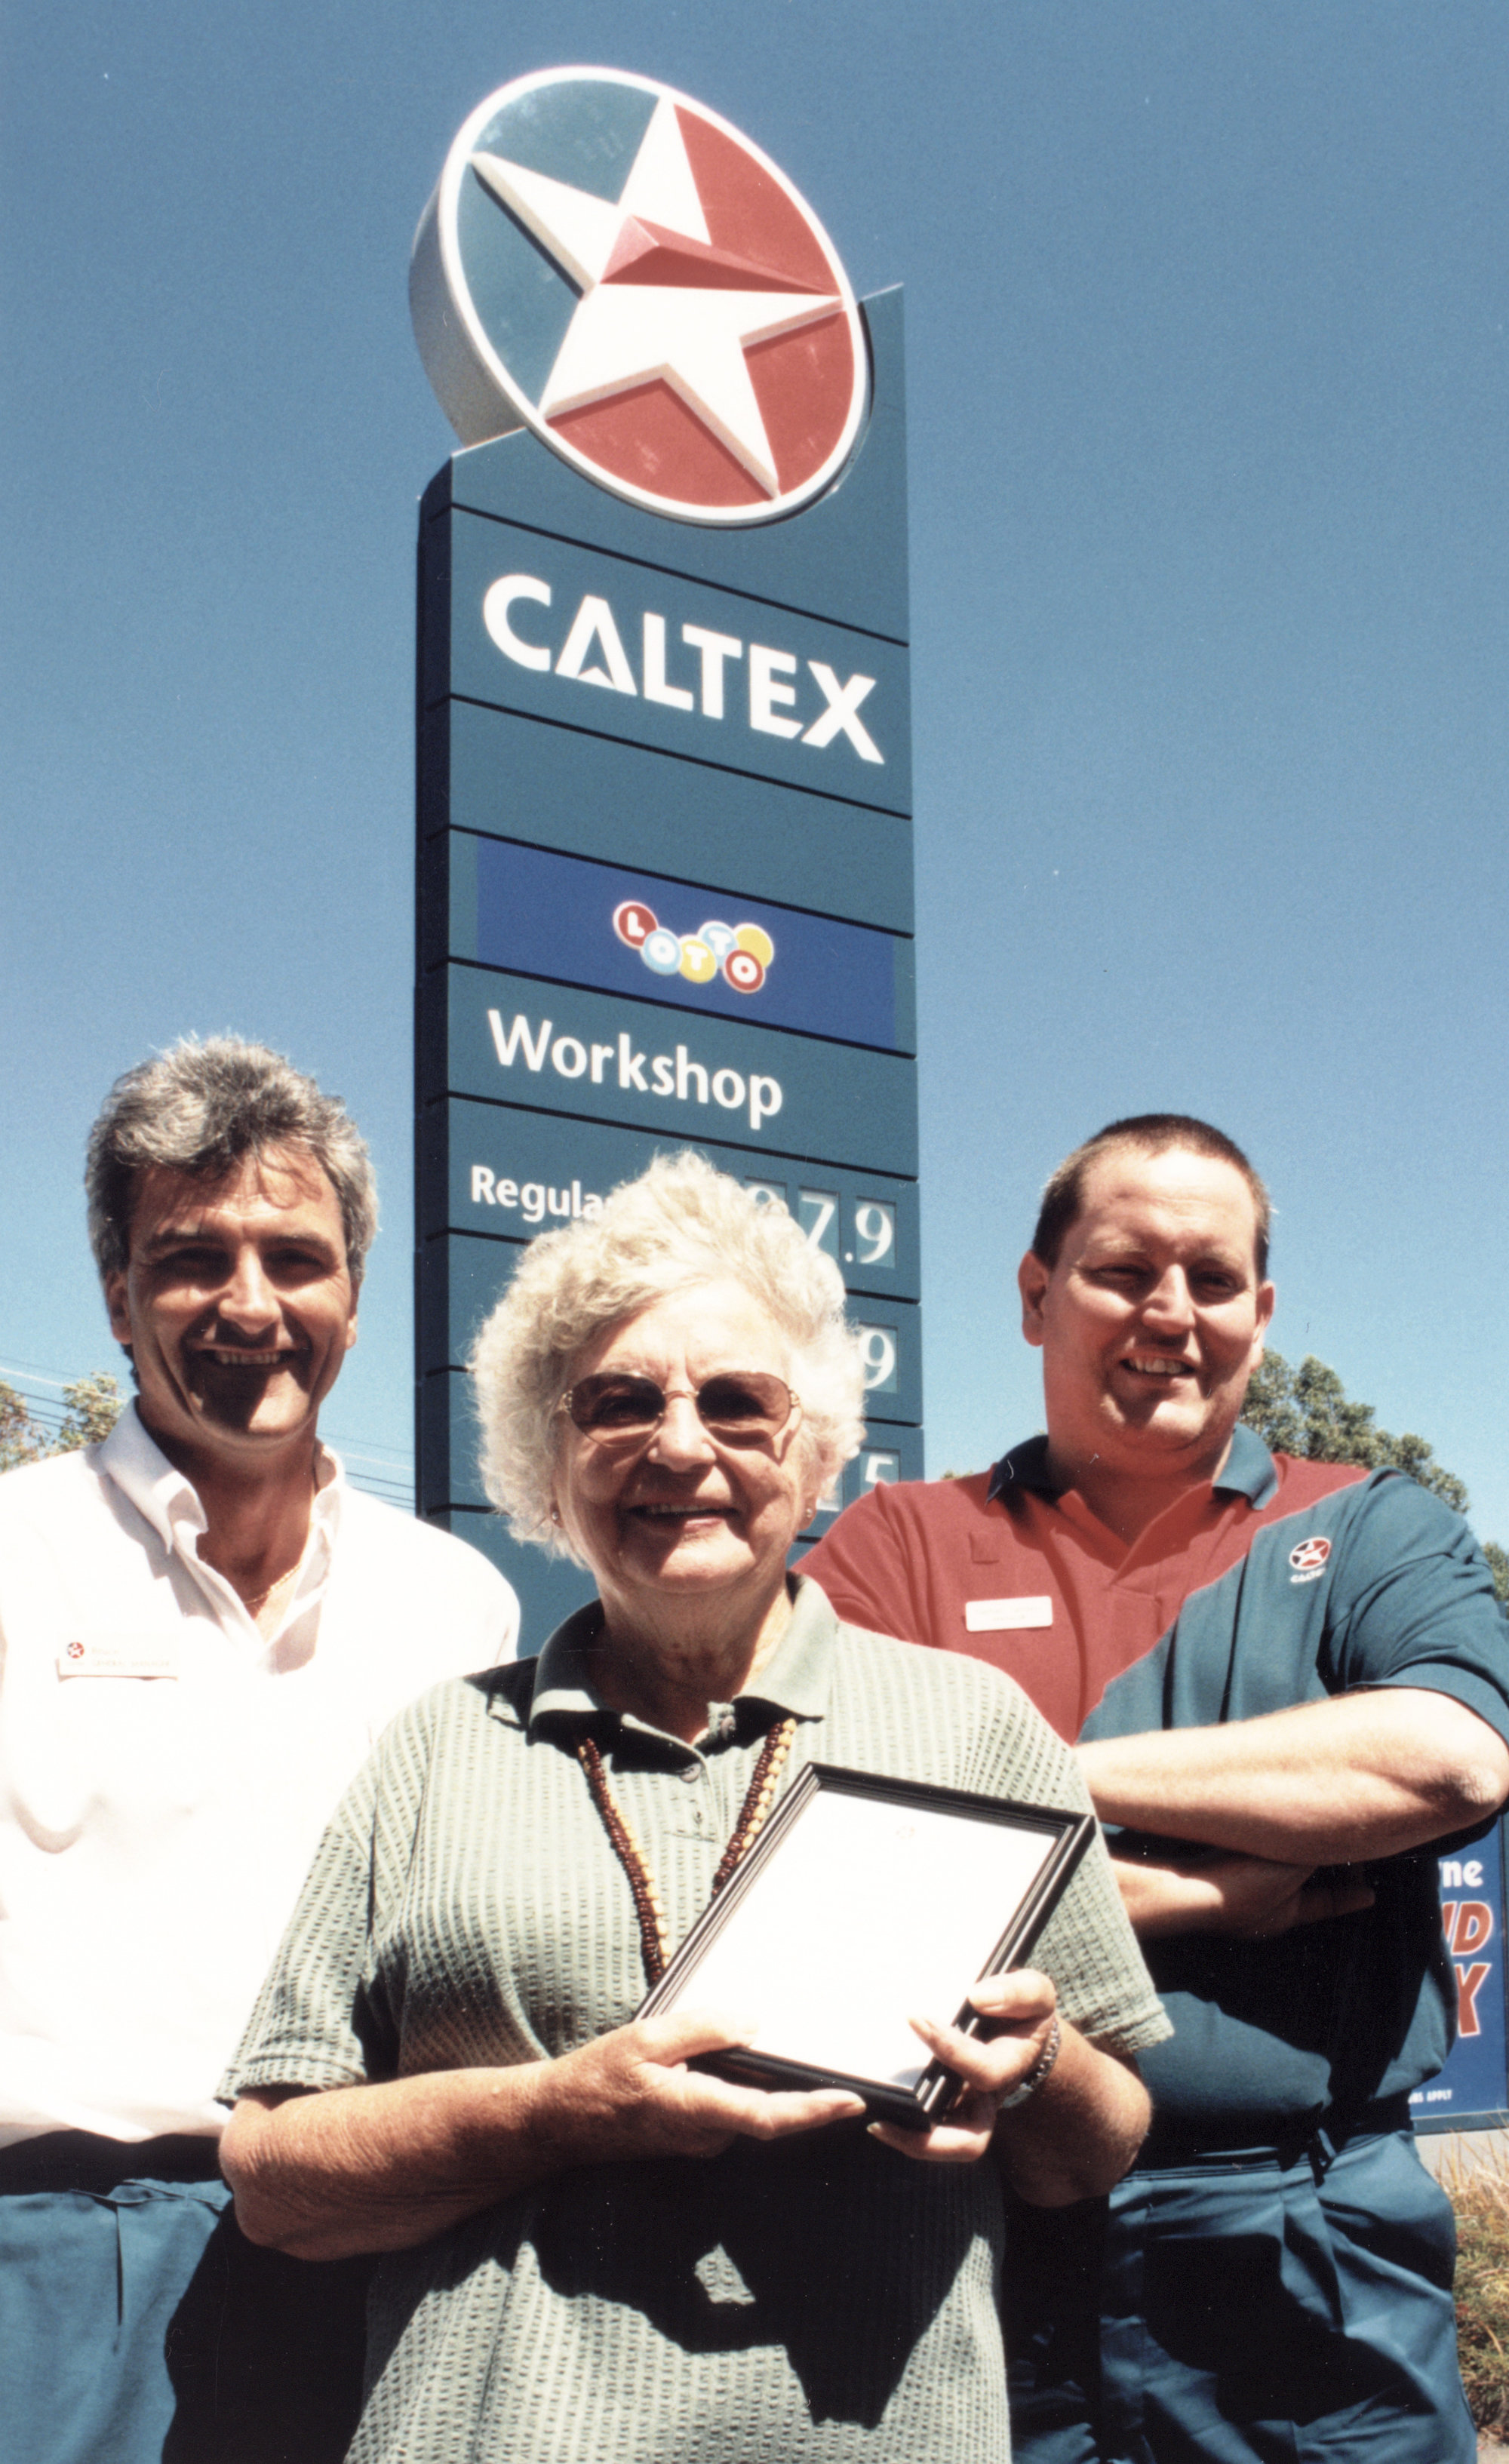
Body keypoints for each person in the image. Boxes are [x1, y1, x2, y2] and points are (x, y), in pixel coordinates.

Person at [219, 1151, 1168, 2464]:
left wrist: (1040, 2069)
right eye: (617, 1401)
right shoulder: (434, 1748)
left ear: (818, 1450)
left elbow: (1101, 2146)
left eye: (738, 1401)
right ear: (549, 1458)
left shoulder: (975, 1727)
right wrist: (554, 2110)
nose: (679, 1443)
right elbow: (271, 2183)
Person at [802, 1113, 1509, 2464]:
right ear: (1035, 1294)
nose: (1172, 1313)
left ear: (1263, 1308)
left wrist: (1033, 1775)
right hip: (971, 2235)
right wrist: (1199, 1893)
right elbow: (835, 1874)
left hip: (1310, 2234)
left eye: (1214, 1277)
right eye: (1126, 1269)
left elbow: (1447, 1754)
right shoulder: (901, 1542)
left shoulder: (1368, 1524)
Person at [0, 1035, 519, 2464]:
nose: (248, 1304)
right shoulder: (12, 1555)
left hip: (379, 2255)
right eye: (188, 1256)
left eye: (296, 1257)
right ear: (117, 1291)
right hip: (56, 2268)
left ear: (354, 1292)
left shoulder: (456, 1605)